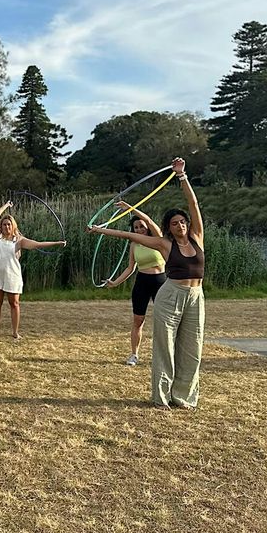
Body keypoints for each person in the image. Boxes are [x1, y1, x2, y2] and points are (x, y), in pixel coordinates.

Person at [88, 157, 204, 410]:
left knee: (192, 348)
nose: (180, 225)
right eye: (174, 223)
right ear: (168, 228)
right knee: (165, 346)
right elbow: (127, 234)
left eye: (182, 222)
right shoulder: (164, 244)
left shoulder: (197, 237)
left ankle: (183, 397)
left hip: (196, 296)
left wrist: (182, 176)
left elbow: (193, 203)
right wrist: (99, 229)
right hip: (171, 294)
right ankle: (161, 397)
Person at [0, 200, 67, 339]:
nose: (6, 226)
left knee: (14, 303)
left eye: (9, 224)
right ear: (1, 226)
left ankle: (15, 332)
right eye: (4, 224)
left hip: (12, 276)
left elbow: (37, 244)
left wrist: (57, 243)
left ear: (13, 226)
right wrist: (6, 205)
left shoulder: (19, 240)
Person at [103, 202, 166, 366]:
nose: (139, 230)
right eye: (136, 227)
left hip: (161, 282)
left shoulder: (157, 238)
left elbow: (149, 221)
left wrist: (130, 208)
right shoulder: (134, 244)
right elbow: (130, 268)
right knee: (138, 320)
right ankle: (134, 354)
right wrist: (115, 282)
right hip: (142, 282)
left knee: (164, 321)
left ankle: (165, 355)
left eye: (141, 226)